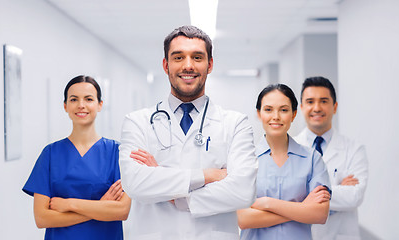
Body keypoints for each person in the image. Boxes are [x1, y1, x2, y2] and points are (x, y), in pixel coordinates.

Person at [119, 25, 258, 239]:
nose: (188, 65)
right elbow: (136, 184)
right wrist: (208, 175)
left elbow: (243, 190)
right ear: (166, 65)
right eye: (178, 57)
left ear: (210, 64)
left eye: (197, 57)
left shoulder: (235, 124)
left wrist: (175, 192)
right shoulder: (137, 122)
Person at [22, 75, 131, 240]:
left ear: (100, 105)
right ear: (65, 106)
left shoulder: (117, 152)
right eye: (74, 99)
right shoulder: (50, 154)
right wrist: (101, 207)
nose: (81, 105)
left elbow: (121, 211)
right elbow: (42, 218)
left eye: (88, 99)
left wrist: (69, 204)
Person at [238, 84, 331, 240]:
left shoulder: (312, 159)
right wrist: (302, 209)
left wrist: (267, 203)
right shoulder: (244, 159)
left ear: (294, 114)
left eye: (284, 110)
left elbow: (320, 214)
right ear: (259, 114)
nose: (276, 116)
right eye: (268, 110)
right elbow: (243, 219)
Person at [295, 76, 368, 240]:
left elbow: (354, 197)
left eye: (323, 101)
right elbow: (285, 197)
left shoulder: (354, 149)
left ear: (334, 107)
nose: (316, 107)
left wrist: (305, 194)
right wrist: (336, 190)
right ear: (301, 107)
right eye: (310, 101)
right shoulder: (289, 148)